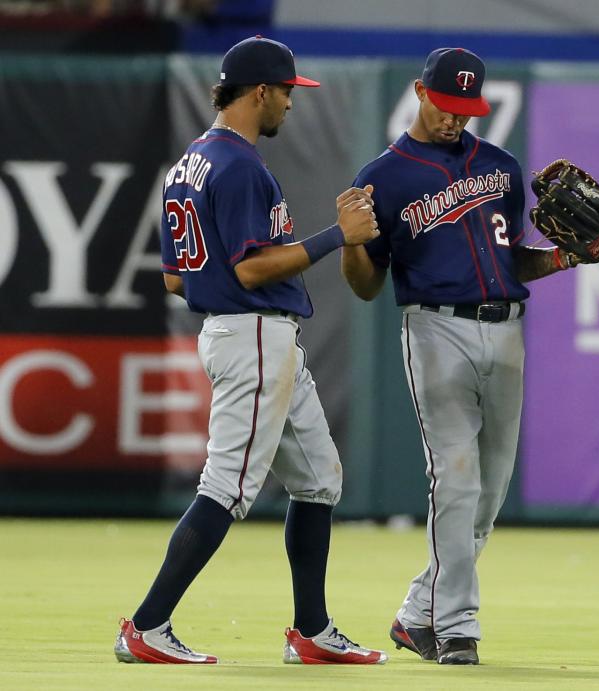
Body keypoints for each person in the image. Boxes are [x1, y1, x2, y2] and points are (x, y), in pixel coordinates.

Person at [114, 35, 387, 666]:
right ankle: (148, 626)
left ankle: (312, 631)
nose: (292, 104)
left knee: (319, 479)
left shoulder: (191, 163)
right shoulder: (238, 165)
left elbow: (177, 278)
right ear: (260, 91)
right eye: (288, 91)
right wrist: (336, 235)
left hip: (247, 333)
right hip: (251, 332)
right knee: (228, 486)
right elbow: (248, 271)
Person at [341, 47, 581, 665]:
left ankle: (416, 613)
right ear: (422, 93)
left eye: (466, 109)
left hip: (506, 330)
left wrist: (564, 256)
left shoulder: (500, 166)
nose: (454, 119)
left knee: (489, 493)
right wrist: (350, 244)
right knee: (456, 478)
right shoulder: (383, 177)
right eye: (446, 105)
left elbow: (514, 262)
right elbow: (367, 284)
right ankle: (457, 628)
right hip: (434, 329)